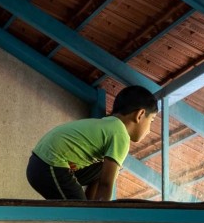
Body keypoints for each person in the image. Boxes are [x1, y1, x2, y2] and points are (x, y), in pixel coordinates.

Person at [27, 84, 157, 201]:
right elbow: (106, 184)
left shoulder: (108, 124)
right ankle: (91, 212)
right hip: (49, 165)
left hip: (41, 164)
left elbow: (102, 176)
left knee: (102, 168)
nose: (149, 130)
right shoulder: (121, 134)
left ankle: (90, 206)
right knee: (82, 216)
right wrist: (101, 218)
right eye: (151, 120)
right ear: (140, 114)